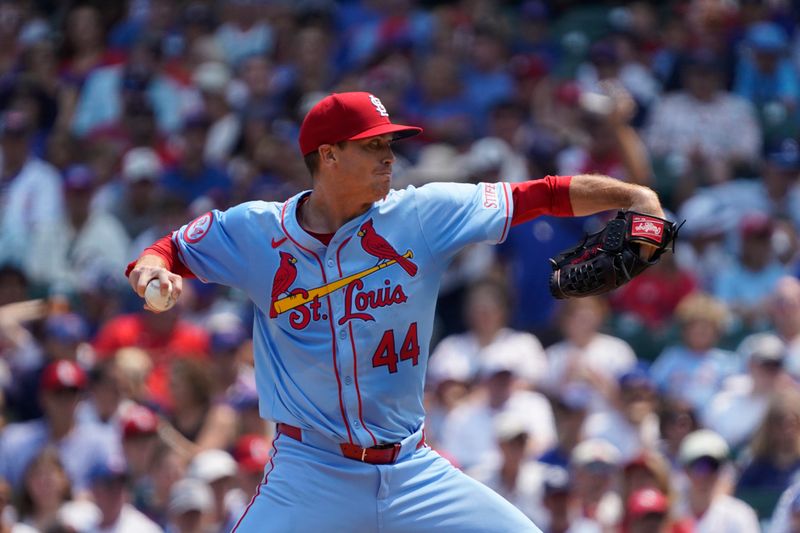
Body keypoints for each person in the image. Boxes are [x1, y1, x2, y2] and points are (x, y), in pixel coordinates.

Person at [126, 91, 667, 532]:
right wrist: (154, 270)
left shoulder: (420, 216)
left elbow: (542, 194)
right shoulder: (256, 231)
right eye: (372, 145)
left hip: (412, 469)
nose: (389, 155)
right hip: (310, 473)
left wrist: (637, 197)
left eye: (389, 143)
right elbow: (166, 250)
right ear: (329, 156)